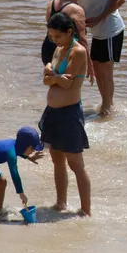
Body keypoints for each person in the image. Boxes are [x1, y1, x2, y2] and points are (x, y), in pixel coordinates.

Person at [58, 0, 126, 117]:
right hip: (95, 31)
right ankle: (106, 103)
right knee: (96, 67)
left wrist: (99, 18)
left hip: (110, 28)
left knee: (105, 70)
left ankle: (107, 107)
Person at [40, 13, 92, 216]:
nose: (54, 40)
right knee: (56, 159)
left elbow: (67, 82)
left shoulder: (77, 51)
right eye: (51, 36)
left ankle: (86, 210)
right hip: (53, 112)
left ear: (69, 32)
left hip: (69, 113)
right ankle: (61, 202)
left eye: (57, 36)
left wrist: (51, 74)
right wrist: (54, 76)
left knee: (76, 163)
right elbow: (47, 80)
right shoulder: (58, 49)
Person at [42, 0, 90, 69]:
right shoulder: (76, 9)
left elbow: (50, 26)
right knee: (70, 82)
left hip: (47, 48)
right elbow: (82, 39)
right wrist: (89, 64)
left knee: (54, 80)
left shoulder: (52, 3)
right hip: (65, 50)